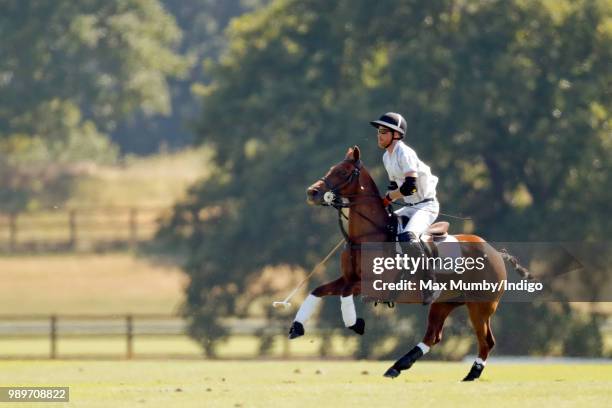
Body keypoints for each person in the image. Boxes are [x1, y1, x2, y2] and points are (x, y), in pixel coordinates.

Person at [370, 112, 440, 305]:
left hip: (426, 206)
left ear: (397, 135)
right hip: (410, 206)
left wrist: (389, 198)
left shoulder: (404, 152)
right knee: (381, 227)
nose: (379, 135)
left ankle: (431, 284)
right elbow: (395, 186)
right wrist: (383, 202)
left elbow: (411, 186)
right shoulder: (387, 157)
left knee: (408, 238)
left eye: (384, 131)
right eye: (378, 131)